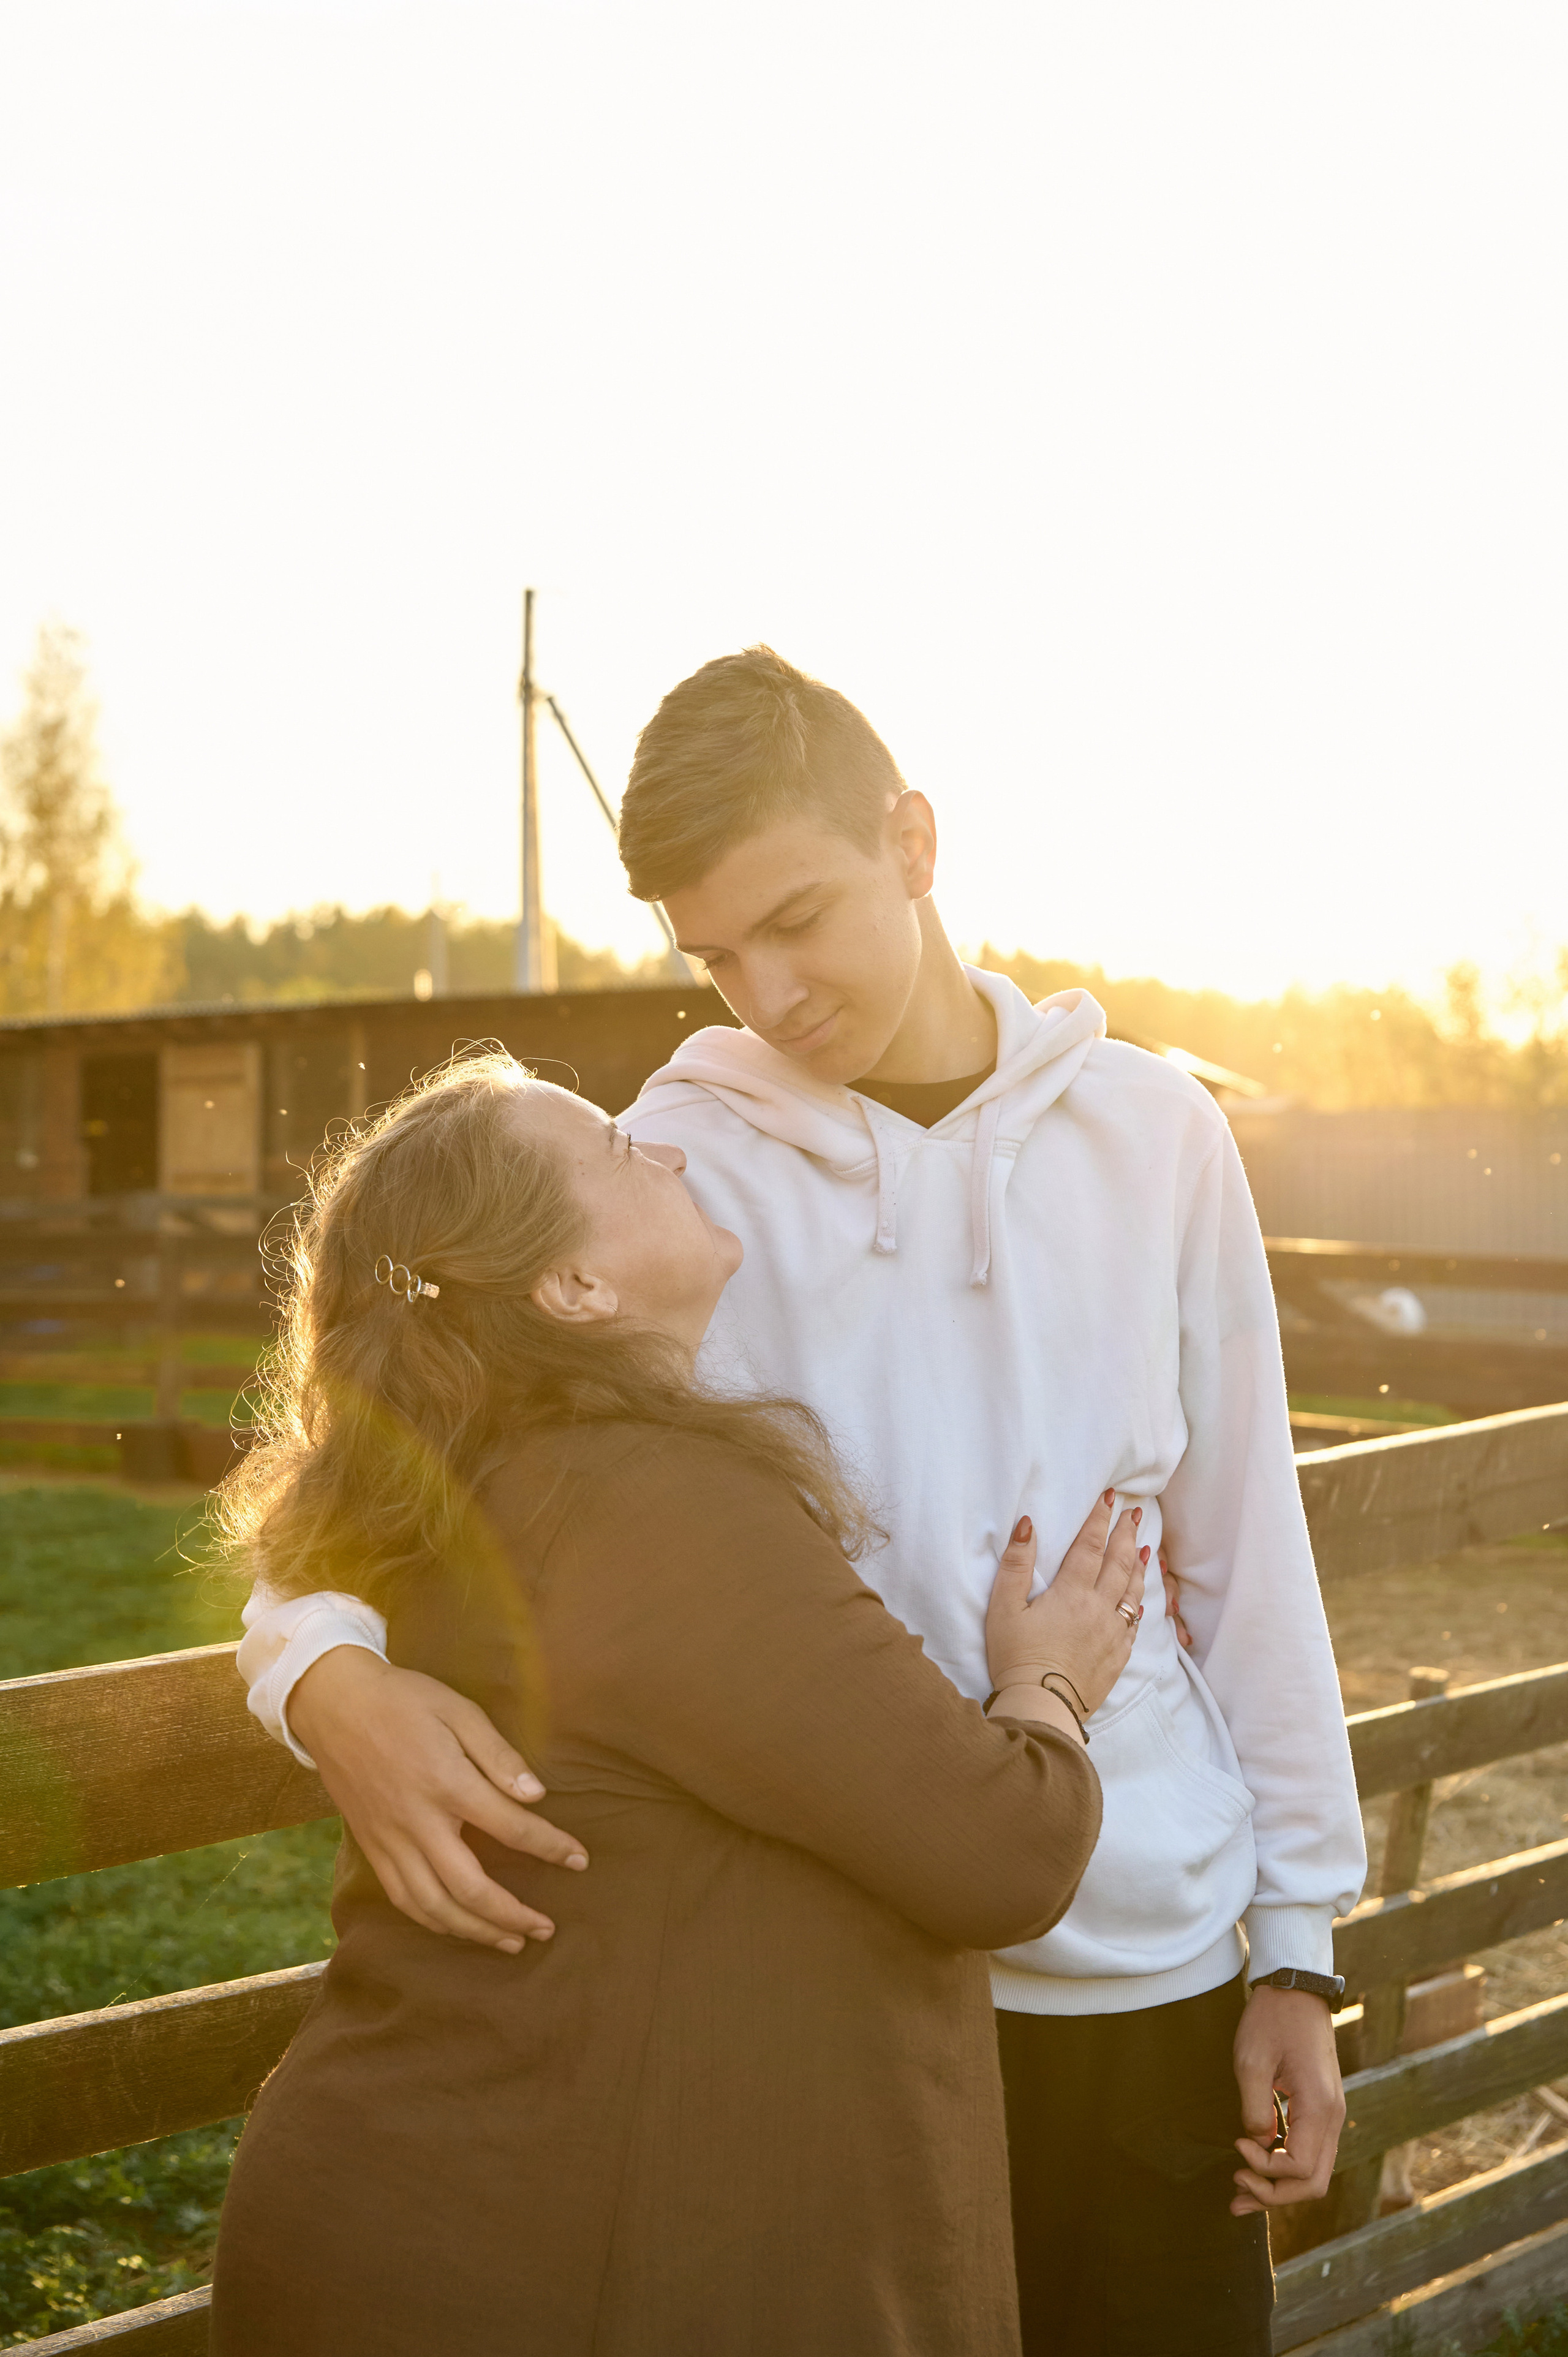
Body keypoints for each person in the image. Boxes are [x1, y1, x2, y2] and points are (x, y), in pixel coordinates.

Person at [239, 649, 1368, 2356]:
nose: (766, 990)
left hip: (1163, 1956)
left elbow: (1245, 1552)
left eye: (800, 918)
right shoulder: (678, 1175)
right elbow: (428, 1454)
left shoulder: (1159, 1138)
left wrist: (1295, 1950)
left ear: (914, 841)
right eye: (713, 953)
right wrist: (320, 1669)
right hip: (872, 1993)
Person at [210, 1054, 1134, 2356]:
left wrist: (313, 1667)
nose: (671, 1155)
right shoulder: (649, 1507)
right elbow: (1002, 1850)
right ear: (572, 1286)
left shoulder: (450, 1487)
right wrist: (1048, 1678)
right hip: (532, 2273)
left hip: (439, 2232)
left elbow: (291, 1580)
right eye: (620, 1153)